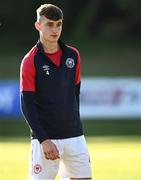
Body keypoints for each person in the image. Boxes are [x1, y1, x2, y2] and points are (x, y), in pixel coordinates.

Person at [20, 3, 92, 180]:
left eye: (58, 24)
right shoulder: (30, 61)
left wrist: (74, 123)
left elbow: (75, 95)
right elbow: (27, 105)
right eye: (49, 24)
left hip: (75, 136)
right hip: (46, 139)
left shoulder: (73, 55)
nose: (55, 29)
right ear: (38, 26)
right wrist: (43, 140)